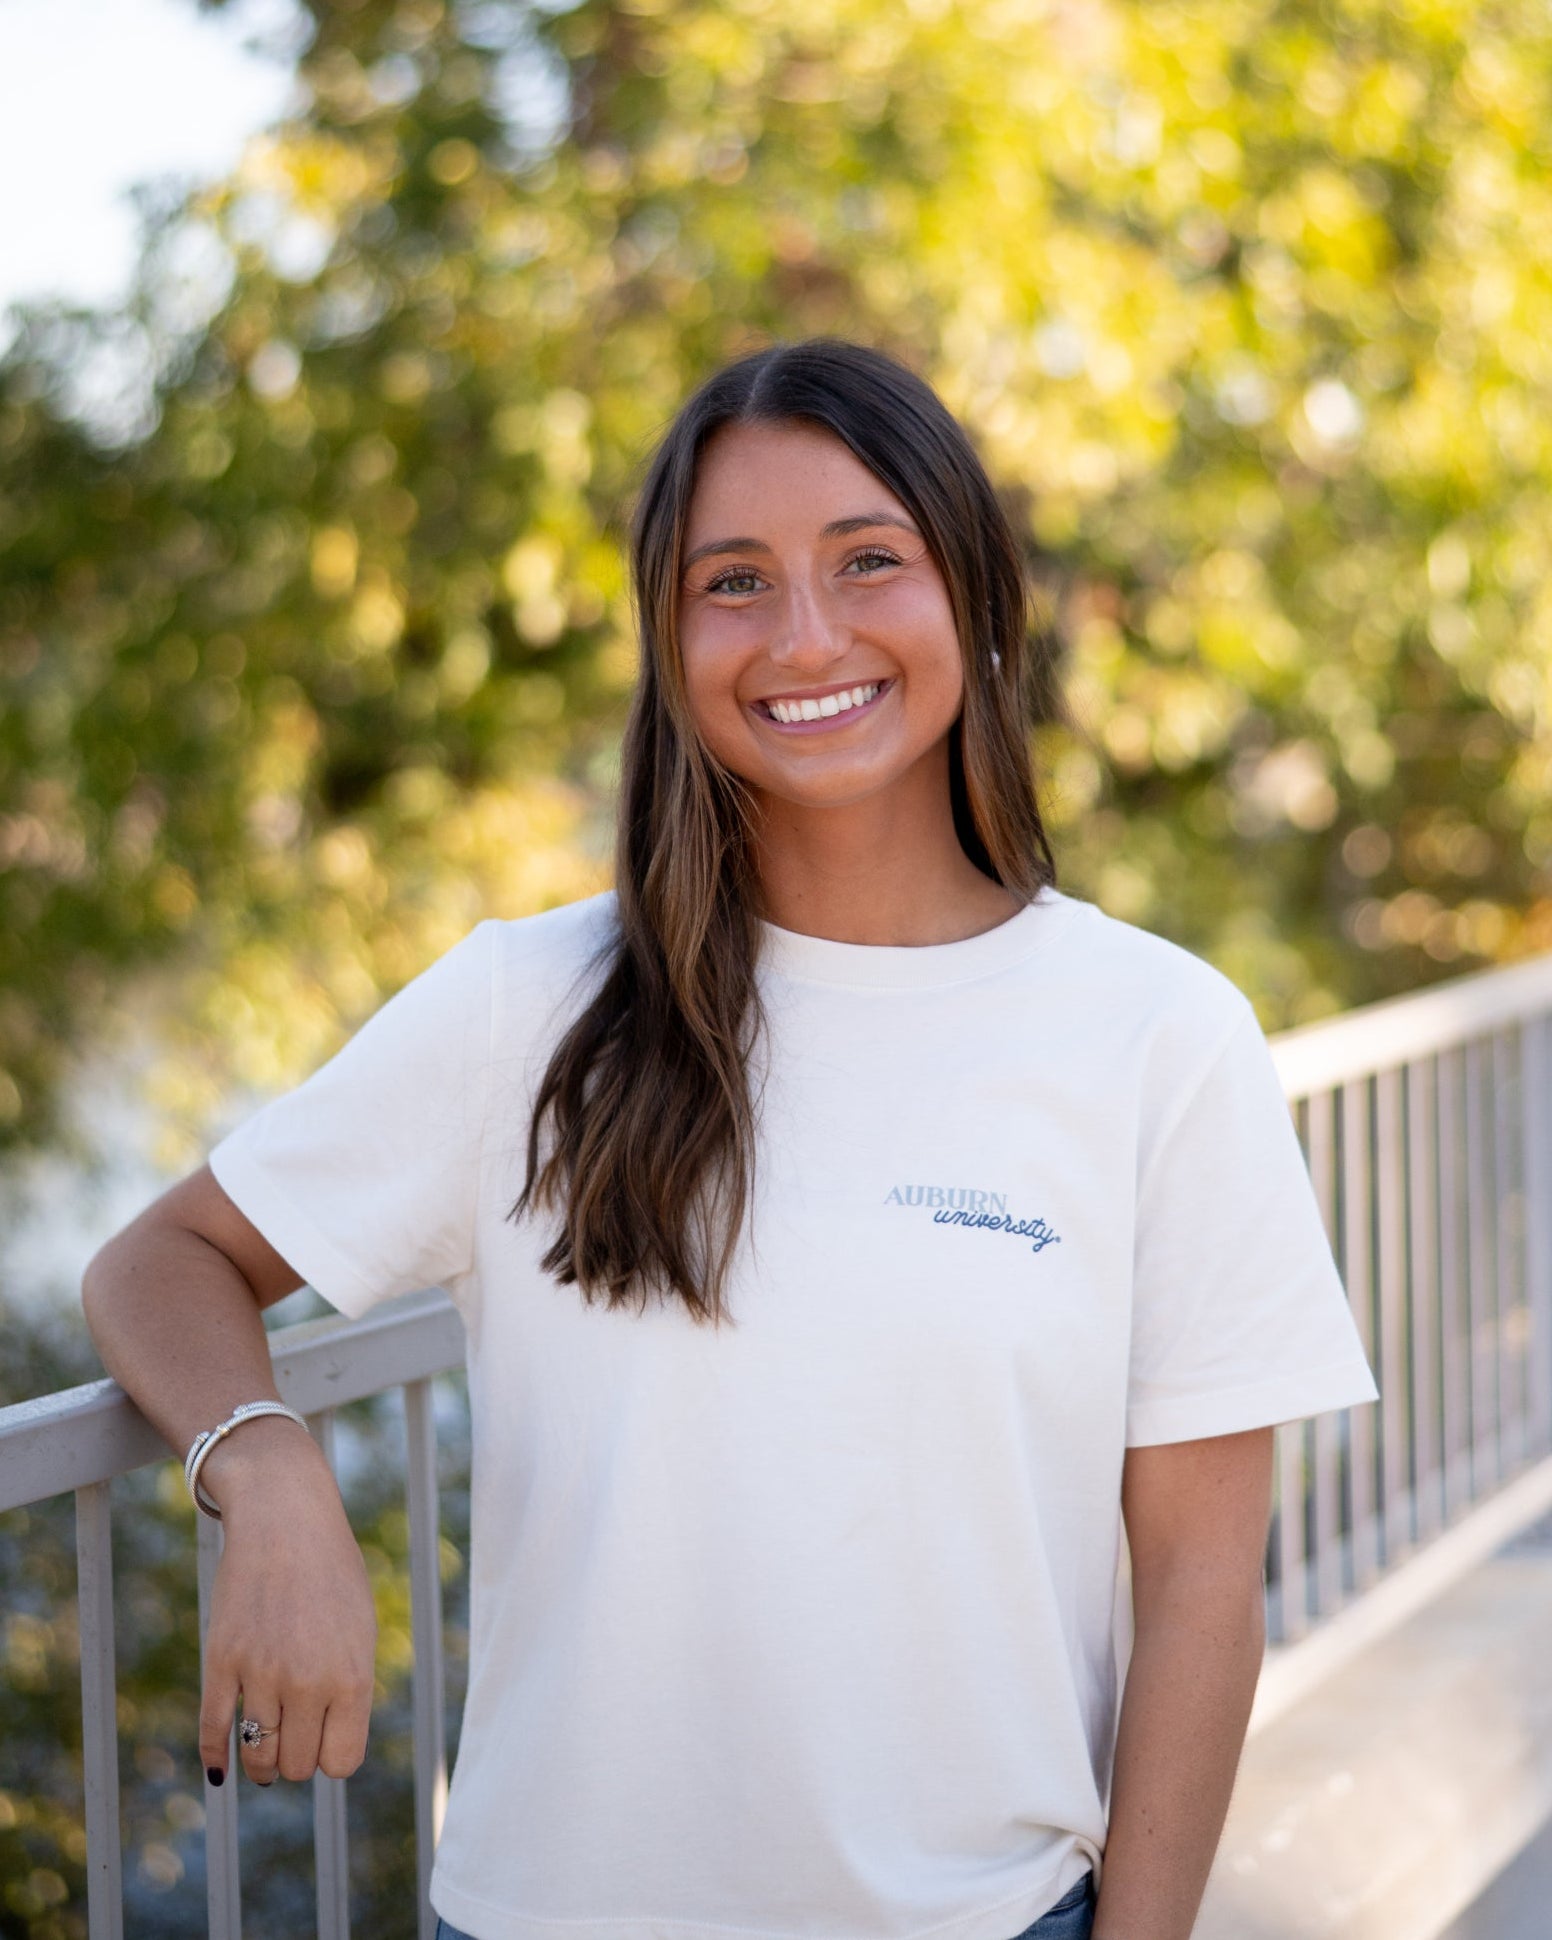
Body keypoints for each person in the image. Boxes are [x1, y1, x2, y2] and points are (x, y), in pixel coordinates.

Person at [82, 337, 1378, 1940]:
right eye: (735, 582)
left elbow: (1196, 1581)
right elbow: (164, 1260)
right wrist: (261, 1469)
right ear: (670, 637)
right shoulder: (528, 1006)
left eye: (867, 561)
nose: (807, 635)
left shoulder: (1158, 1035)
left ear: (971, 589)